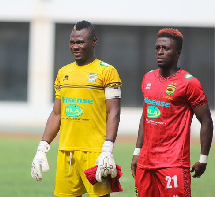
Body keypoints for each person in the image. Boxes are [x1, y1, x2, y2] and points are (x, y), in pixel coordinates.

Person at [31, 20, 122, 197]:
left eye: (80, 42)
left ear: (94, 42)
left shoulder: (107, 71)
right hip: (66, 152)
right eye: (72, 42)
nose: (75, 46)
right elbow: (57, 113)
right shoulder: (63, 72)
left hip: (95, 152)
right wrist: (42, 147)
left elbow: (114, 112)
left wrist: (108, 149)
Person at [131, 28, 213, 197]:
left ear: (178, 53)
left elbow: (206, 120)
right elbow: (145, 116)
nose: (160, 52)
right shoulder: (148, 78)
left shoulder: (189, 83)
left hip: (174, 164)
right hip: (146, 163)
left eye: (166, 48)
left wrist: (203, 158)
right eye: (157, 47)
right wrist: (137, 152)